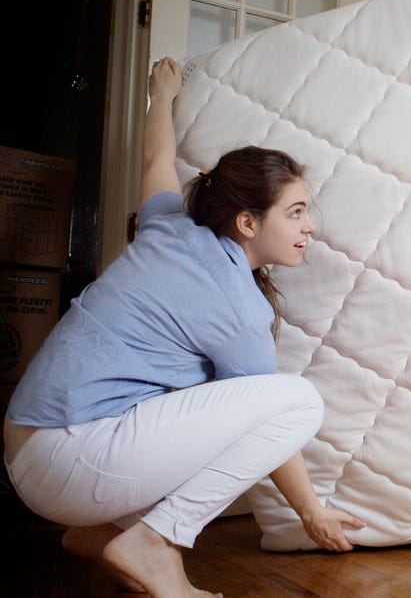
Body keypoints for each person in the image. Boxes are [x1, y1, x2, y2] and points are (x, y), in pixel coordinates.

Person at [2, 57, 365, 597]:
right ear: (247, 223)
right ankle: (155, 542)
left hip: (22, 449)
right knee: (300, 401)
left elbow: (156, 156)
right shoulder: (237, 307)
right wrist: (312, 515)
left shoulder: (167, 225)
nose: (310, 226)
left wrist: (162, 94)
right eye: (295, 212)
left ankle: (97, 533)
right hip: (70, 460)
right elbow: (272, 425)